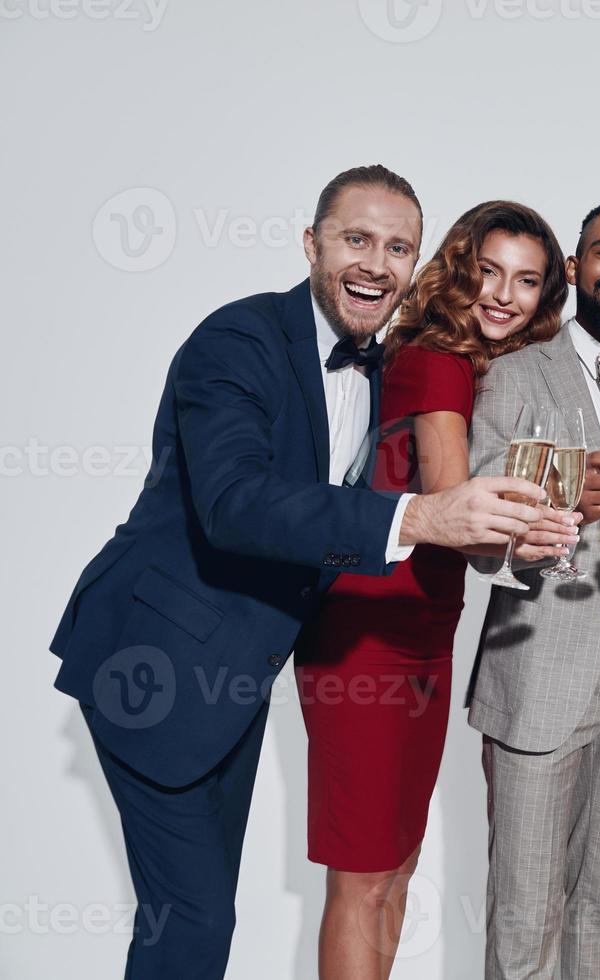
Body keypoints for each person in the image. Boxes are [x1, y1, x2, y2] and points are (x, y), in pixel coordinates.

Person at [48, 165, 551, 980]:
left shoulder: (381, 364)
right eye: (357, 239)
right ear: (311, 244)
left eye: (397, 248)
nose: (375, 264)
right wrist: (421, 517)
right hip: (153, 660)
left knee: (193, 917)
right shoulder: (236, 340)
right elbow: (235, 504)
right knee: (196, 921)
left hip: (236, 672)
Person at [293, 200, 577, 980]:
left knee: (396, 866)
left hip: (424, 633)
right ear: (458, 268)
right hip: (367, 635)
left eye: (526, 281)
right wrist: (563, 513)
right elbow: (457, 506)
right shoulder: (436, 360)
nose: (503, 295)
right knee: (363, 875)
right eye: (488, 271)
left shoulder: (469, 367)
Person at [466, 198, 600, 980]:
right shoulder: (516, 374)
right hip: (539, 665)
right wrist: (559, 500)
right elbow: (477, 525)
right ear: (574, 270)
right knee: (526, 913)